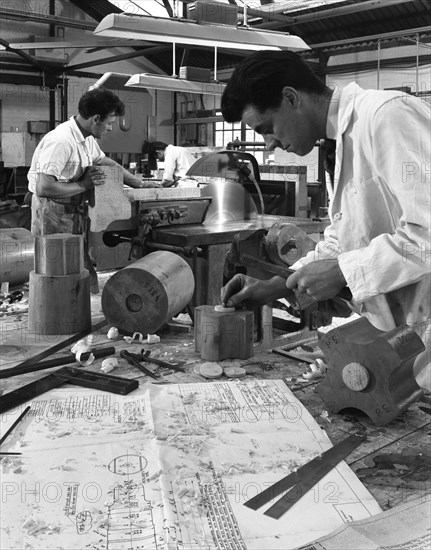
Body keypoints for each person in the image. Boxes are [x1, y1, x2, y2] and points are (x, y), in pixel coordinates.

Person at [220, 50, 430, 390]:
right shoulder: (339, 141)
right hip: (406, 337)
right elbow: (345, 237)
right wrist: (280, 284)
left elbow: (428, 235)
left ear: (291, 97)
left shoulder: (387, 117)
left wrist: (343, 272)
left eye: (266, 128)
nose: (269, 143)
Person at [28, 88, 160, 293]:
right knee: (57, 270)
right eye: (109, 123)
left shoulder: (87, 137)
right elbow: (44, 187)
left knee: (79, 265)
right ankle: (58, 315)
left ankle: (77, 308)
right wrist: (85, 185)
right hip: (52, 210)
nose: (110, 129)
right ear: (96, 118)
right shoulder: (61, 141)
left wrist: (138, 183)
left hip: (73, 207)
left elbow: (102, 160)